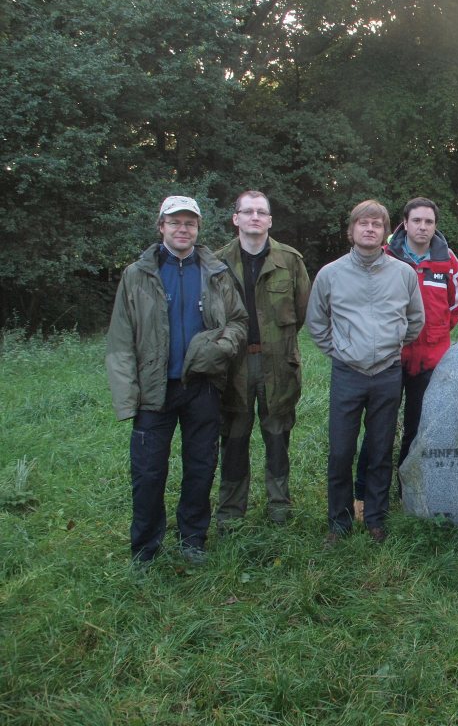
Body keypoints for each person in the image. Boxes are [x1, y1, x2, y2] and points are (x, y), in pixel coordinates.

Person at [106, 195, 247, 567]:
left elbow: (238, 322)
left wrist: (221, 347)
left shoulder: (215, 272)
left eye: (189, 223)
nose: (182, 229)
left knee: (200, 466)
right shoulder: (138, 275)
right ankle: (145, 549)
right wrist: (127, 399)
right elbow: (120, 341)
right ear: (161, 227)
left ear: (198, 229)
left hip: (202, 386)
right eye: (175, 222)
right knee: (149, 472)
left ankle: (193, 539)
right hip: (154, 391)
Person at [307, 200, 424, 544]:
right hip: (347, 373)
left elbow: (415, 320)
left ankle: (375, 518)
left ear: (385, 231)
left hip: (387, 373)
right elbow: (316, 322)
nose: (370, 229)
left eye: (376, 224)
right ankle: (339, 522)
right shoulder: (330, 274)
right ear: (351, 230)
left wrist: (391, 347)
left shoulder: (403, 273)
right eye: (363, 224)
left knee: (379, 448)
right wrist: (340, 352)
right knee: (341, 451)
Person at [354, 196, 458, 518]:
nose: (422, 227)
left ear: (435, 226)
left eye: (429, 222)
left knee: (419, 430)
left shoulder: (449, 262)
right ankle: (364, 494)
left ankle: (409, 491)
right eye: (416, 220)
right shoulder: (386, 256)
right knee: (379, 427)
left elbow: (456, 306)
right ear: (404, 223)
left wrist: (435, 336)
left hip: (432, 361)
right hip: (389, 357)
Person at [215, 190, 310, 528]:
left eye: (261, 212)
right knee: (234, 438)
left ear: (270, 220)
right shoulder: (216, 263)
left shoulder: (290, 261)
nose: (255, 217)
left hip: (278, 364)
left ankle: (279, 506)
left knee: (277, 436)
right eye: (248, 211)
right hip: (234, 367)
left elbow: (301, 312)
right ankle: (230, 512)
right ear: (236, 218)